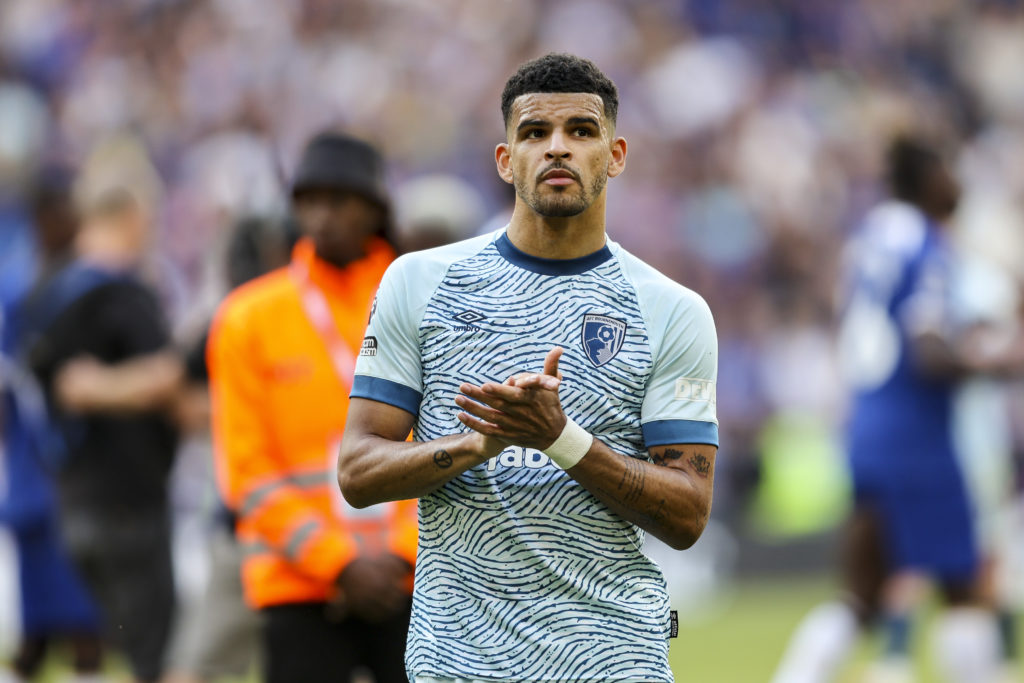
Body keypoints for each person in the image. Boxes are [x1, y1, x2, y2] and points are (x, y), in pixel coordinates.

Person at [338, 53, 719, 683]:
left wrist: (559, 439)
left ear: (616, 155)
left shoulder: (671, 310)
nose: (558, 148)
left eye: (582, 131)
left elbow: (687, 516)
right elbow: (358, 472)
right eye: (535, 133)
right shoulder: (420, 282)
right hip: (457, 661)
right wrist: (481, 442)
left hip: (612, 658)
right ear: (505, 159)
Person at [771, 137, 1024, 683]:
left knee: (861, 594)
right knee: (964, 586)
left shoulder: (870, 237)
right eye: (945, 168)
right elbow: (929, 352)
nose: (955, 182)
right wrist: (997, 364)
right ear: (925, 178)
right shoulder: (926, 246)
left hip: (867, 427)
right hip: (918, 435)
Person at [207, 132, 417, 683]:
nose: (321, 216)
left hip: (413, 578)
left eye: (339, 200)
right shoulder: (247, 318)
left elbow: (454, 444)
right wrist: (338, 563)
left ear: (374, 208)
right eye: (308, 200)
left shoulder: (424, 304)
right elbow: (245, 473)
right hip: (294, 582)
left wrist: (400, 555)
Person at [14, 143, 184, 683]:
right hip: (129, 498)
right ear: (130, 213)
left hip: (69, 497)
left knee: (93, 649)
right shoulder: (125, 294)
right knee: (156, 657)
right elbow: (161, 379)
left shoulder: (44, 287)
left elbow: (56, 382)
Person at [0, 169, 106, 683]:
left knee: (83, 624)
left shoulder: (85, 281)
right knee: (41, 629)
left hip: (75, 469)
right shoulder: (21, 289)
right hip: (40, 464)